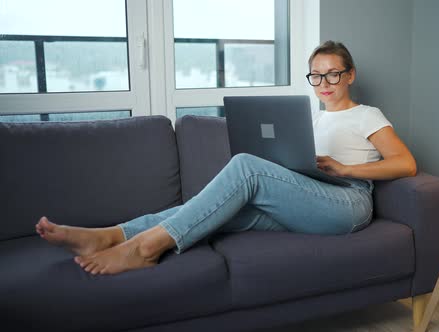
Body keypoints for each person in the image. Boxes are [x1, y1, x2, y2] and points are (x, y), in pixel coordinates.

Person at [35, 41, 417, 276]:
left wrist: (347, 168)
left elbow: (405, 163)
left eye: (333, 74)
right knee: (213, 207)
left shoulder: (366, 114)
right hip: (310, 197)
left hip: (347, 202)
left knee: (246, 165)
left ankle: (144, 249)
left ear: (350, 75)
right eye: (316, 76)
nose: (325, 84)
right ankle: (109, 236)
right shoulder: (311, 118)